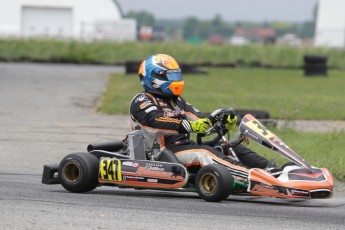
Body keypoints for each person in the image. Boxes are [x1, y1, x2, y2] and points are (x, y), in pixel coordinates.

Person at [129, 54, 273, 182]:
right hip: (162, 153)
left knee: (231, 146)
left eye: (176, 76)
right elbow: (154, 121)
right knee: (204, 152)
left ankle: (272, 171)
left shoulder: (178, 101)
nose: (175, 81)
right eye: (170, 76)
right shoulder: (142, 100)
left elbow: (200, 119)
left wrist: (221, 122)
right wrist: (188, 126)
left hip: (184, 148)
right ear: (154, 78)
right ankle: (254, 178)